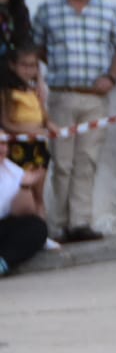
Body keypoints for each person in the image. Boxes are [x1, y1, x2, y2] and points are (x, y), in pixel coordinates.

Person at [33, 0, 116, 243]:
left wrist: (110, 77)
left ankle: (80, 223)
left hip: (94, 99)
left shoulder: (106, 9)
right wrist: (61, 70)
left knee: (87, 160)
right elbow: (36, 48)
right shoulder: (48, 9)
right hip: (62, 97)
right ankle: (61, 224)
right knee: (62, 162)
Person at [0, 44, 52, 241]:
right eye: (25, 65)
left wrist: (49, 124)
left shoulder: (33, 90)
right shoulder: (7, 92)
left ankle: (43, 234)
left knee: (39, 193)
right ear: (13, 65)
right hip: (20, 148)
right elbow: (7, 123)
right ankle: (24, 234)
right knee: (24, 192)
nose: (29, 70)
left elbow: (43, 117)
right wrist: (30, 130)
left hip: (38, 146)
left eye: (33, 66)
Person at [0, 156, 48, 276]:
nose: (2, 149)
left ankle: (3, 262)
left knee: (37, 226)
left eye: (4, 144)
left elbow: (21, 212)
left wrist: (25, 186)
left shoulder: (13, 171)